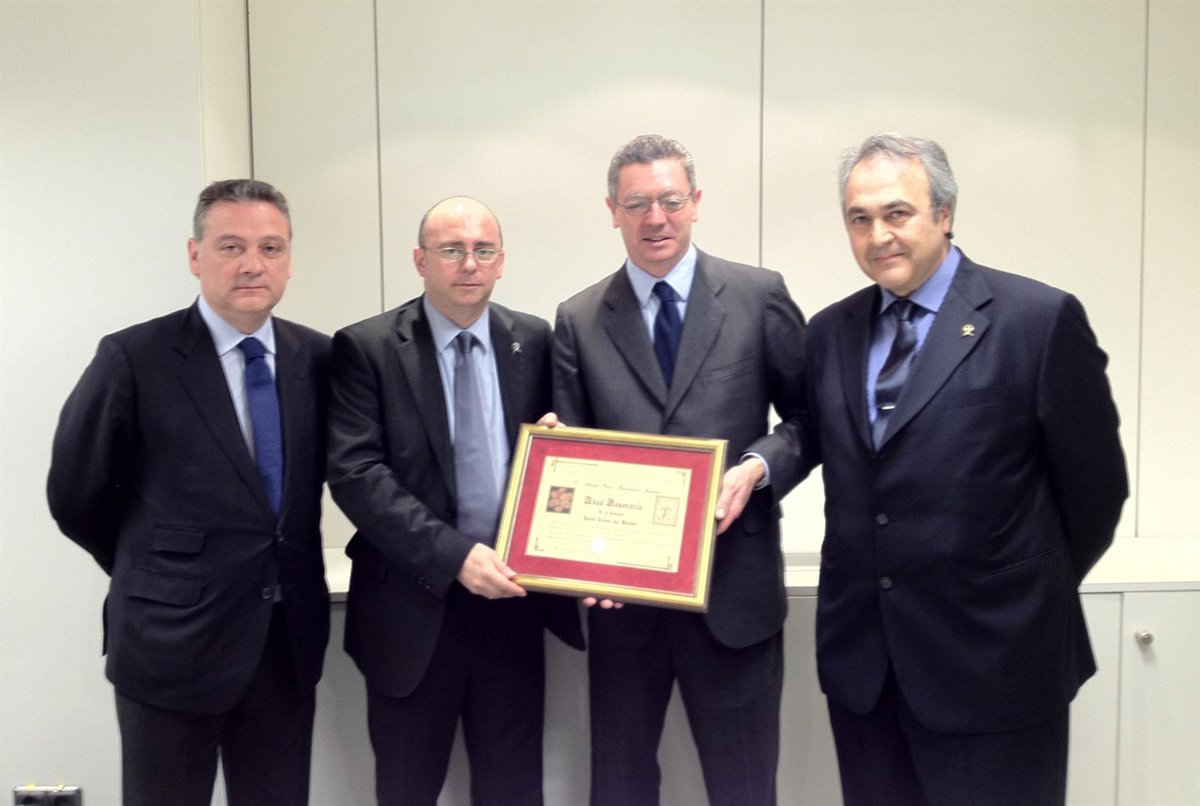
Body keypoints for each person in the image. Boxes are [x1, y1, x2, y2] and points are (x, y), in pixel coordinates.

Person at [798, 132, 1128, 804]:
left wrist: (1015, 591)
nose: (878, 236)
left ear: (944, 213)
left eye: (897, 213)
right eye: (859, 219)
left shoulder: (1037, 321)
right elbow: (815, 440)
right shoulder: (830, 332)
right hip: (868, 673)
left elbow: (1096, 489)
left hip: (997, 663)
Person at [46, 179, 332, 806]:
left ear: (289, 259)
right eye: (231, 246)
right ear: (195, 255)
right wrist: (156, 565)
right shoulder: (134, 357)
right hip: (170, 645)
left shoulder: (318, 358)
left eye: (270, 247)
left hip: (283, 643)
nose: (252, 264)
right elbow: (74, 494)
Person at [551, 135, 807, 805]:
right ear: (612, 210)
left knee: (744, 788)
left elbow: (810, 420)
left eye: (669, 200)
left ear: (695, 202)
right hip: (623, 604)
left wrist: (756, 467)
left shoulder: (758, 296)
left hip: (735, 594)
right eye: (637, 203)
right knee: (620, 787)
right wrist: (578, 546)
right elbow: (573, 454)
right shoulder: (578, 319)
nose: (655, 218)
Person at [327, 196, 585, 806]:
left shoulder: (533, 339)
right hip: (411, 610)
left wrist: (564, 449)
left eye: (483, 250)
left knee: (513, 788)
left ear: (501, 261)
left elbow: (560, 455)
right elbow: (356, 474)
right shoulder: (367, 347)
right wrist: (454, 557)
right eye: (451, 250)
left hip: (512, 606)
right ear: (420, 260)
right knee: (407, 788)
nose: (469, 263)